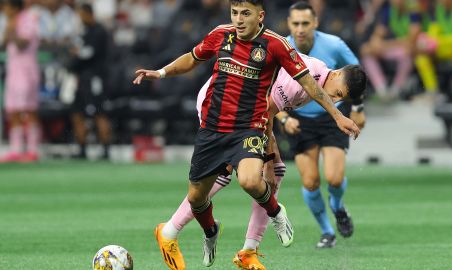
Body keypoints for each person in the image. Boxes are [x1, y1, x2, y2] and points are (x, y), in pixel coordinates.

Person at [133, 0, 360, 268]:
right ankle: (179, 231)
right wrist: (160, 73)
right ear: (336, 76)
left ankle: (245, 248)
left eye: (245, 14)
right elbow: (268, 107)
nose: (335, 99)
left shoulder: (296, 62)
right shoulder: (232, 38)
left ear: (259, 16)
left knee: (266, 175)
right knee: (233, 176)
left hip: (248, 119)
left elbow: (274, 105)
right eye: (338, 94)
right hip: (217, 109)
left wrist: (334, 116)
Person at [275, 1, 366, 249]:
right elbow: (270, 89)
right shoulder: (281, 47)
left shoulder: (333, 44)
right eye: (295, 23)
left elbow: (357, 75)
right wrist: (284, 117)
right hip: (300, 119)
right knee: (311, 182)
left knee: (334, 178)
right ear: (289, 23)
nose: (300, 28)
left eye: (305, 23)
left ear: (315, 22)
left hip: (332, 117)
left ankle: (337, 207)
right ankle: (327, 232)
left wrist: (357, 108)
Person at [69, 3, 112, 159]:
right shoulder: (84, 32)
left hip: (95, 79)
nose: (80, 18)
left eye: (82, 15)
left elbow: (88, 53)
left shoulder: (99, 31)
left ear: (89, 14)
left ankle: (106, 149)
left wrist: (76, 53)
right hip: (82, 79)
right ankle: (82, 148)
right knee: (77, 112)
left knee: (99, 112)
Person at [0, 0, 40, 163]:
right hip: (13, 70)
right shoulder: (6, 21)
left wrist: (12, 30)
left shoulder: (29, 19)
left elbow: (23, 44)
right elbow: (2, 47)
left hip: (27, 71)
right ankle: (16, 150)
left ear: (15, 7)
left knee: (29, 110)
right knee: (13, 110)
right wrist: (8, 30)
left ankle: (32, 150)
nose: (4, 9)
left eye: (6, 6)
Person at [361, 0, 421, 98]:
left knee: (406, 54)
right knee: (367, 53)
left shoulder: (413, 10)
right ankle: (381, 89)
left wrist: (384, 45)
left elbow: (410, 40)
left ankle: (397, 89)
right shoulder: (389, 10)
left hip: (407, 49)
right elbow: (379, 33)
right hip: (393, 48)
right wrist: (374, 44)